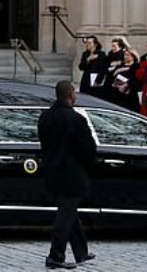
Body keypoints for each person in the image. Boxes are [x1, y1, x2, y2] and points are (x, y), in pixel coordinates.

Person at [37, 80, 97, 270]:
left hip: (52, 171)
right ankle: (55, 256)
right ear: (71, 94)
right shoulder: (75, 119)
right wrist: (88, 167)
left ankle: (81, 251)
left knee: (70, 212)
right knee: (65, 215)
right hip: (72, 174)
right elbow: (88, 149)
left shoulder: (45, 116)